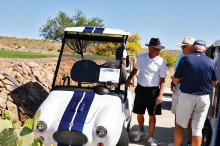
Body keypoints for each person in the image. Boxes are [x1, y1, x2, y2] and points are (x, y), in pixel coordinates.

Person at [173, 40, 218, 146]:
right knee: (197, 129)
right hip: (203, 98)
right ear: (205, 50)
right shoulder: (211, 62)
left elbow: (175, 80)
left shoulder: (185, 59)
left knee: (179, 125)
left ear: (193, 48)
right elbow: (215, 82)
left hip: (186, 96)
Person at [125, 38, 166, 146]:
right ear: (150, 48)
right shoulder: (142, 57)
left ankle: (151, 138)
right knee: (139, 113)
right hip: (141, 89)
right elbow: (135, 69)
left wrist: (160, 94)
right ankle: (141, 131)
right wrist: (129, 78)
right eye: (156, 49)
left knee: (152, 115)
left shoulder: (161, 62)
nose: (158, 51)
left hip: (153, 91)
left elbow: (162, 81)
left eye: (159, 49)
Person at [169, 36, 195, 146]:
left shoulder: (196, 58)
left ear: (191, 47)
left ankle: (189, 141)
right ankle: (177, 142)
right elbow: (176, 74)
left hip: (190, 91)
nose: (182, 49)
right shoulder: (181, 57)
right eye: (182, 46)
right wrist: (172, 83)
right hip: (179, 90)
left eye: (184, 47)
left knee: (190, 118)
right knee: (177, 116)